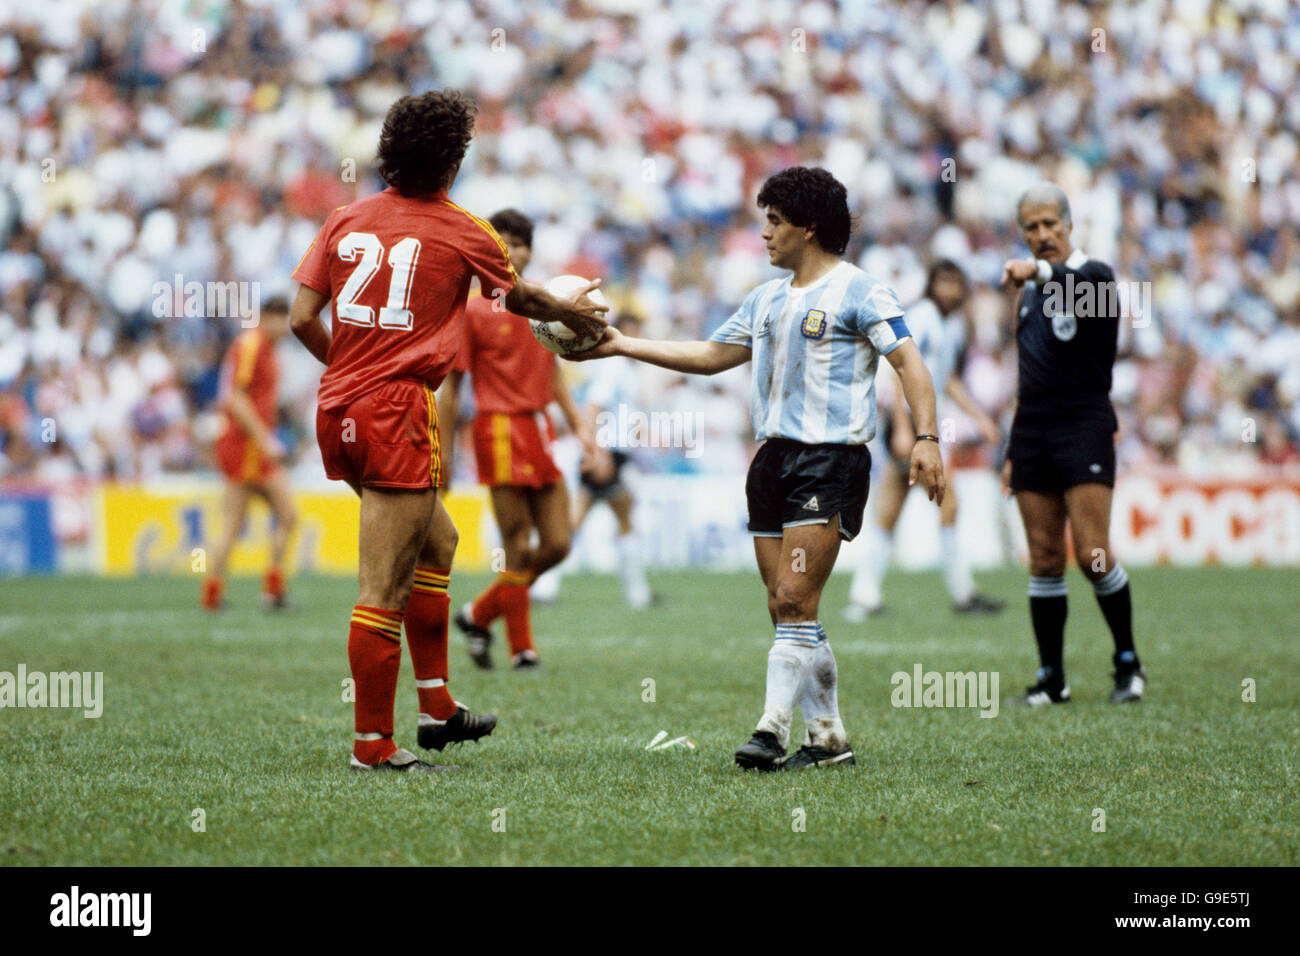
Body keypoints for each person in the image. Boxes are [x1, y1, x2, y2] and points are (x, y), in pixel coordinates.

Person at [573, 167, 945, 771]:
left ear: (809, 226)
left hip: (830, 458)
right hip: (771, 459)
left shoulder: (862, 292)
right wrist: (623, 345)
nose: (764, 232)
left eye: (774, 220)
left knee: (796, 598)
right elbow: (714, 355)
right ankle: (828, 739)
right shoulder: (766, 297)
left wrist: (926, 437)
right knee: (784, 606)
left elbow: (910, 364)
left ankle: (770, 731)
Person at [289, 91, 607, 771]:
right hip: (394, 412)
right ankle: (372, 747)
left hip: (337, 410)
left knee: (440, 541)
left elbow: (299, 318)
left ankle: (437, 705)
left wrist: (348, 367)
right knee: (383, 587)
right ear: (453, 159)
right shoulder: (466, 230)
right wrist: (581, 319)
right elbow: (521, 299)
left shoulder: (344, 218)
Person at [1000, 183, 1145, 705]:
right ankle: (1051, 679)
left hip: (1082, 425)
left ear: (1068, 224)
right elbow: (1028, 375)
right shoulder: (1031, 293)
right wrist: (1012, 450)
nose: (1041, 236)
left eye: (1049, 225)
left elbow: (1076, 284)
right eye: (1031, 228)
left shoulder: (1096, 276)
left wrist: (1033, 271)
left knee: (1093, 555)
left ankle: (1127, 662)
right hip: (1033, 431)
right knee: (1042, 558)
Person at [438, 208, 595, 670]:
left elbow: (555, 377)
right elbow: (452, 389)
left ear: (531, 250)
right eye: (501, 240)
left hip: (540, 428)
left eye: (520, 242)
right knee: (518, 544)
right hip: (498, 428)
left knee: (560, 543)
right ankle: (522, 649)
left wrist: (580, 427)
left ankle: (479, 613)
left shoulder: (545, 303)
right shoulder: (469, 309)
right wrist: (444, 453)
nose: (510, 250)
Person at [845, 260, 1005, 619]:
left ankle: (863, 594)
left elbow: (945, 379)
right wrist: (903, 427)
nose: (949, 290)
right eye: (943, 281)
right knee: (948, 504)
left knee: (891, 509)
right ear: (933, 285)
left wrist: (980, 417)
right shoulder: (924, 317)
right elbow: (900, 369)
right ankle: (962, 592)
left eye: (955, 282)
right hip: (914, 428)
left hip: (923, 428)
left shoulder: (953, 326)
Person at [534, 312, 655, 610]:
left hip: (615, 454)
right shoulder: (614, 367)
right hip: (607, 454)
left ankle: (544, 585)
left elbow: (622, 416)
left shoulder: (627, 369)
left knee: (599, 519)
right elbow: (593, 407)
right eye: (631, 332)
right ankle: (635, 594)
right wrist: (597, 453)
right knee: (608, 520)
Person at [202, 297, 298, 610]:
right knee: (245, 520)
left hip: (249, 446)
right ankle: (266, 592)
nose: (287, 328)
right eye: (283, 319)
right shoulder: (252, 345)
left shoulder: (265, 348)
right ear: (270, 317)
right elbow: (237, 399)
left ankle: (219, 593)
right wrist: (266, 439)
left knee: (274, 517)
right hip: (245, 447)